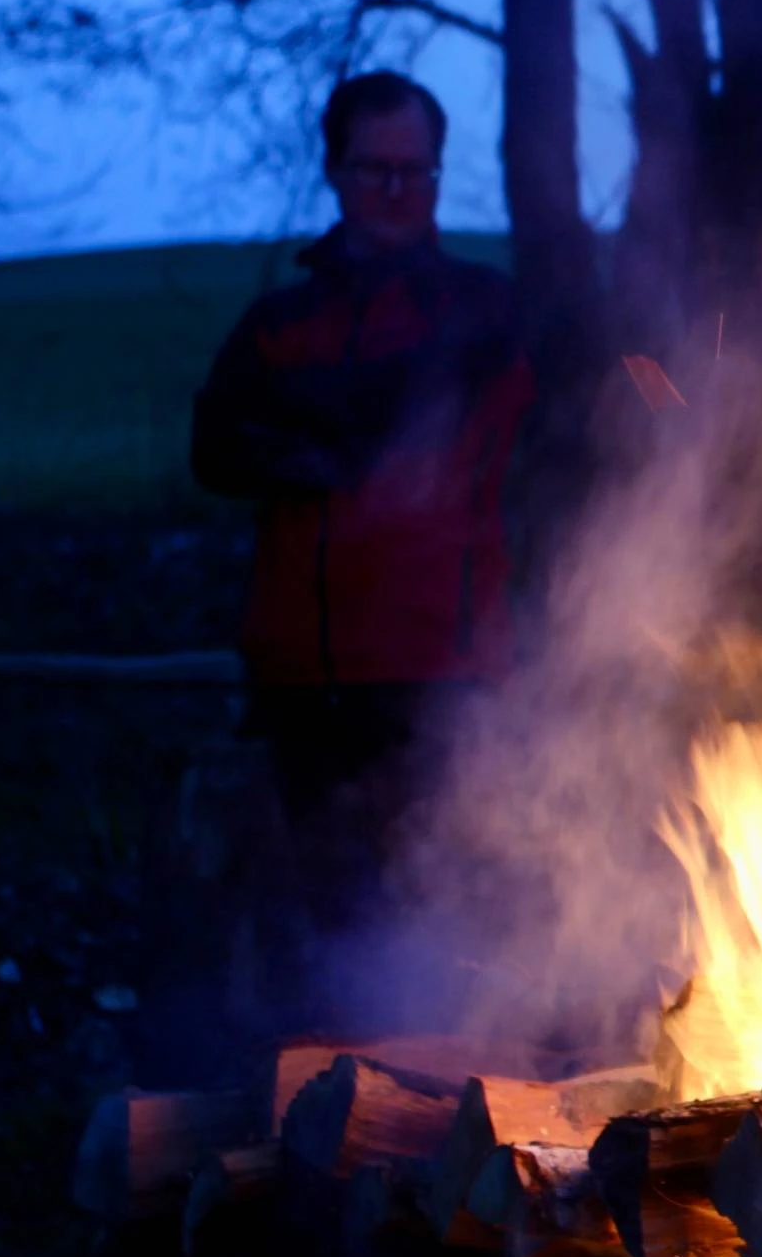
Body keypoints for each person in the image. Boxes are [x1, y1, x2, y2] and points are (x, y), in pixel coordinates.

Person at [192, 72, 528, 995]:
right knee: (327, 948)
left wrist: (315, 423)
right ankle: (341, 1123)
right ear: (336, 173)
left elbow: (553, 420)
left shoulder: (485, 310)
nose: (396, 193)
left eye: (415, 173)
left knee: (446, 936)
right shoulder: (279, 323)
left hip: (441, 683)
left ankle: (461, 1120)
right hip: (305, 690)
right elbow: (216, 445)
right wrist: (343, 429)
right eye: (375, 171)